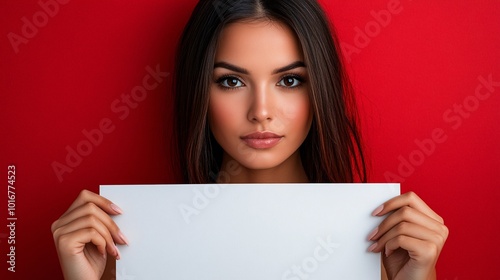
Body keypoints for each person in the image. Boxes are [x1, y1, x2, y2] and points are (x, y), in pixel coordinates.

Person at [51, 0, 449, 279]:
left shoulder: (386, 253)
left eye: (290, 80)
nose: (261, 110)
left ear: (319, 92)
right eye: (231, 81)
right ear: (198, 93)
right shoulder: (127, 250)